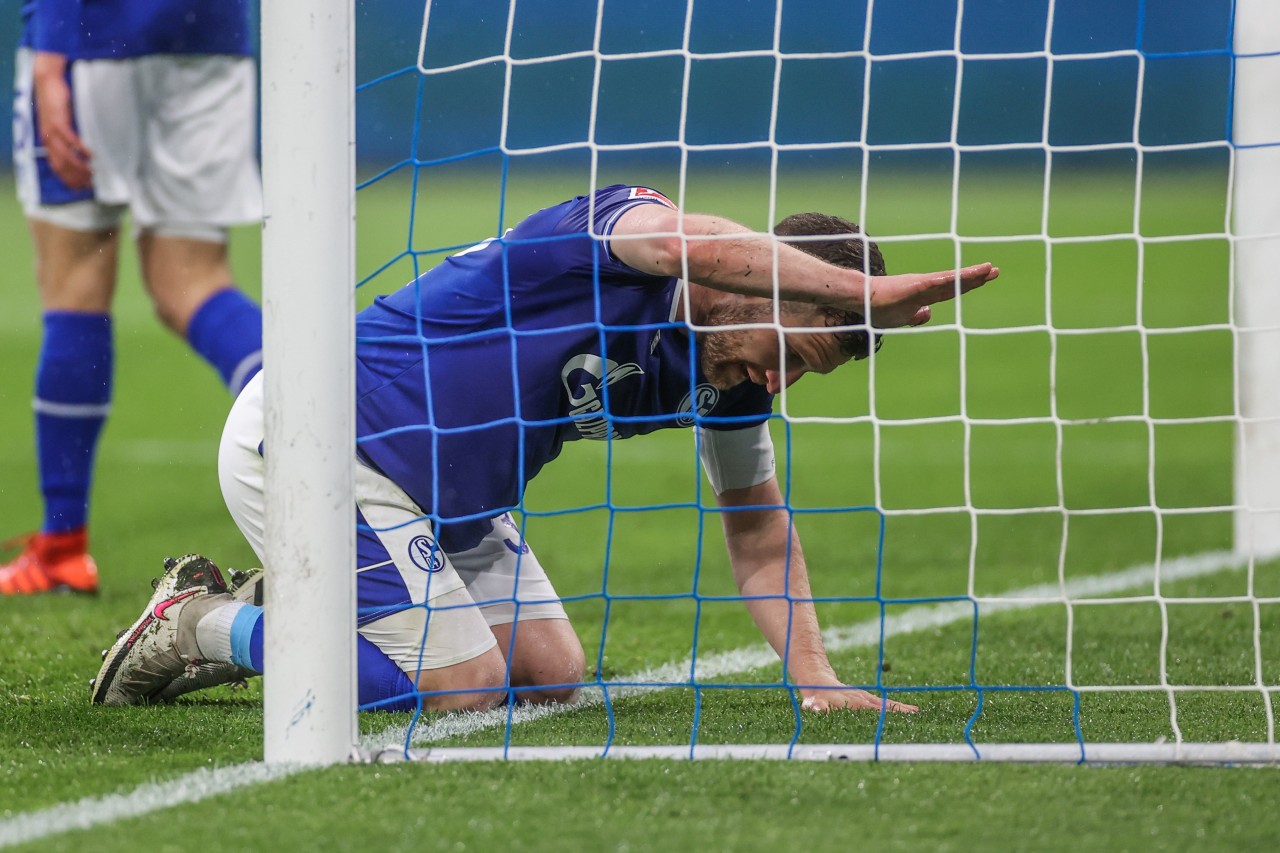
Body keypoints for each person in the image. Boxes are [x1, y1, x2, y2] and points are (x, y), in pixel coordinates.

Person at [91, 184, 999, 714]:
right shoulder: (619, 241)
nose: (780, 385)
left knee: (551, 677)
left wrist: (818, 680)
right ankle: (200, 621)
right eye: (793, 356)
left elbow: (758, 533)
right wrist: (863, 287)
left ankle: (303, 596)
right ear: (769, 290)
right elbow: (700, 241)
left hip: (453, 499)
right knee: (460, 689)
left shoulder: (732, 381)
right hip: (323, 435)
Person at [0, 0, 264, 595]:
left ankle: (62, 550)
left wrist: (50, 60)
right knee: (191, 283)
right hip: (210, 37)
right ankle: (340, 446)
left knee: (75, 282)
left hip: (91, 31)